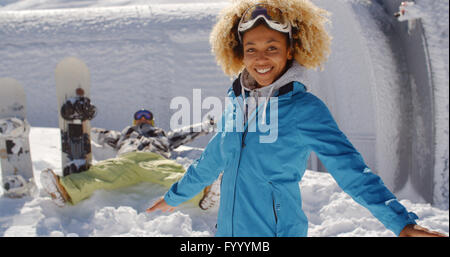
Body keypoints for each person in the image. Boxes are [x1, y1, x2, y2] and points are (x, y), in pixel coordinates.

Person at [147, 1, 447, 237]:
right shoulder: (237, 103)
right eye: (251, 49)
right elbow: (211, 161)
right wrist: (173, 197)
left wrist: (400, 223)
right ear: (240, 53)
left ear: (291, 50)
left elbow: (352, 170)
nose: (260, 59)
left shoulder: (305, 109)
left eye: (272, 48)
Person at [41, 109, 221, 210]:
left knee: (174, 173)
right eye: (139, 116)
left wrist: (205, 126)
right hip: (126, 160)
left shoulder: (162, 135)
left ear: (152, 121)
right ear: (135, 120)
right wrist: (81, 128)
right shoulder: (123, 135)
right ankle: (65, 190)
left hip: (154, 159)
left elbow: (185, 133)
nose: (143, 118)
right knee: (101, 172)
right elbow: (99, 135)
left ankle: (204, 193)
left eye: (147, 116)